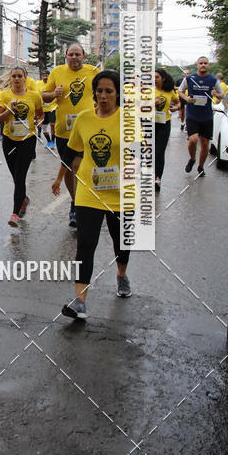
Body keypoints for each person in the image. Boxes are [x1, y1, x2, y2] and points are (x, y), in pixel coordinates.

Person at [52, 70, 131, 320]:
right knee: (86, 244)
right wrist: (58, 178)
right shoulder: (84, 119)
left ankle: (121, 274)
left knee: (121, 241)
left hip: (120, 194)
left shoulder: (129, 119)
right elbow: (72, 152)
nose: (104, 96)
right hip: (88, 192)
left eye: (109, 91)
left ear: (118, 93)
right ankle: (80, 301)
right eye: (99, 91)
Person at [42, 43, 98, 228]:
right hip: (63, 130)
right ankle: (75, 202)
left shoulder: (93, 72)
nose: (74, 57)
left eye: (78, 54)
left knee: (77, 166)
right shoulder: (57, 71)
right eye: (71, 54)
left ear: (84, 56)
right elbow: (44, 96)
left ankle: (81, 205)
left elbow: (104, 92)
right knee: (66, 167)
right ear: (65, 56)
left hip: (87, 129)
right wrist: (53, 93)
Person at [0, 66, 43, 226]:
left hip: (27, 140)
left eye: (19, 76)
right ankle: (24, 198)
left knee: (20, 176)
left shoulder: (34, 96)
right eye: (13, 76)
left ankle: (14, 214)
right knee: (16, 177)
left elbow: (40, 114)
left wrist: (38, 121)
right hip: (9, 140)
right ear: (11, 78)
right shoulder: (4, 95)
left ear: (25, 77)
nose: (16, 79)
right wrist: (10, 110)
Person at [179, 56, 224, 176]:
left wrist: (216, 94)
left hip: (207, 116)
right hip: (192, 114)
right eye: (201, 63)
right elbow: (180, 91)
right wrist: (186, 98)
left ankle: (200, 166)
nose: (203, 65)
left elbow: (221, 95)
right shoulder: (189, 78)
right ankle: (192, 159)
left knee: (205, 143)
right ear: (197, 65)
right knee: (193, 140)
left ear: (208, 65)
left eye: (205, 63)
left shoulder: (213, 79)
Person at [154, 68, 180, 192]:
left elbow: (178, 102)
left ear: (163, 78)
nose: (154, 79)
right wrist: (153, 102)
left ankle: (157, 178)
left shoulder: (169, 91)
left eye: (157, 77)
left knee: (159, 151)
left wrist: (176, 107)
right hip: (150, 123)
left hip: (164, 123)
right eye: (152, 77)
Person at [35, 69, 56, 147]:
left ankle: (53, 142)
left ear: (49, 76)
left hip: (52, 107)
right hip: (43, 109)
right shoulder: (37, 84)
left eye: (46, 76)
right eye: (43, 76)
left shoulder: (53, 83)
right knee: (44, 128)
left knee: (52, 125)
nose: (45, 77)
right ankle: (49, 141)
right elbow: (36, 94)